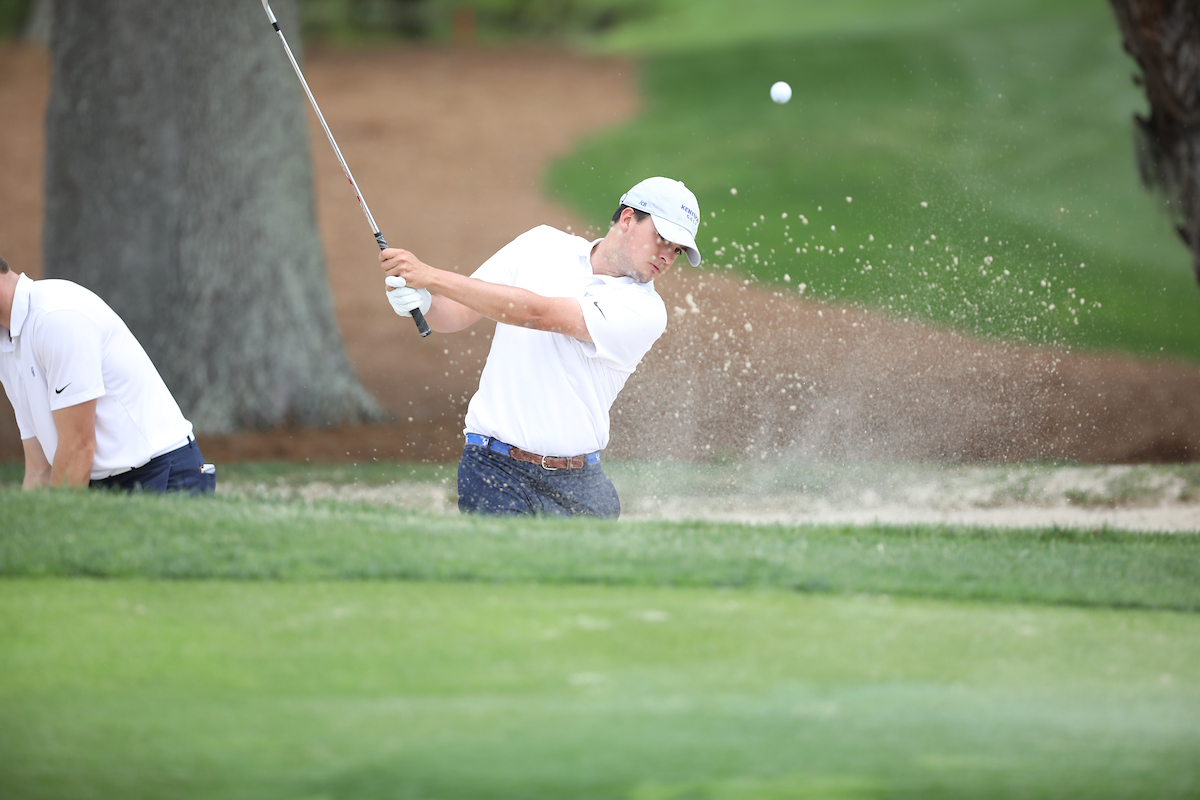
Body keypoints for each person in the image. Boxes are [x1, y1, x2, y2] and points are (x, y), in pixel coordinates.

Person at [381, 176, 701, 518]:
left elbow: (537, 314)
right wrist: (423, 300)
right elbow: (454, 315)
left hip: (580, 485)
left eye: (678, 250)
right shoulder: (540, 244)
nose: (668, 256)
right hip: (493, 469)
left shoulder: (646, 311)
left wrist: (429, 276)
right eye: (663, 239)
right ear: (627, 219)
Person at [0, 254, 215, 494]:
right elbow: (39, 467)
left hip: (163, 473)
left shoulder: (56, 316)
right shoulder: (7, 341)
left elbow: (79, 445)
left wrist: (54, 522)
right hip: (103, 483)